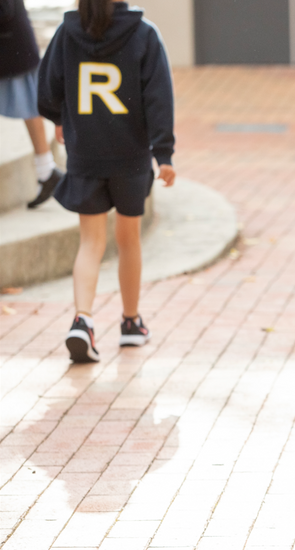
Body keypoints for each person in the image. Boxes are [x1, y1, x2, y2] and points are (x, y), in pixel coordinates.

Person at [37, 0, 176, 362]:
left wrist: (58, 117)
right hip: (130, 158)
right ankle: (131, 324)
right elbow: (159, 97)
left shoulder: (67, 33)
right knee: (128, 240)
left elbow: (48, 86)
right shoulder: (144, 34)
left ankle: (83, 320)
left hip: (85, 155)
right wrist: (164, 154)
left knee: (90, 243)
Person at [0, 0, 64, 208]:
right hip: (13, 45)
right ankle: (46, 170)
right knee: (30, 104)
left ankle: (46, 170)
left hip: (11, 46)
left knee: (30, 103)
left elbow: (5, 10)